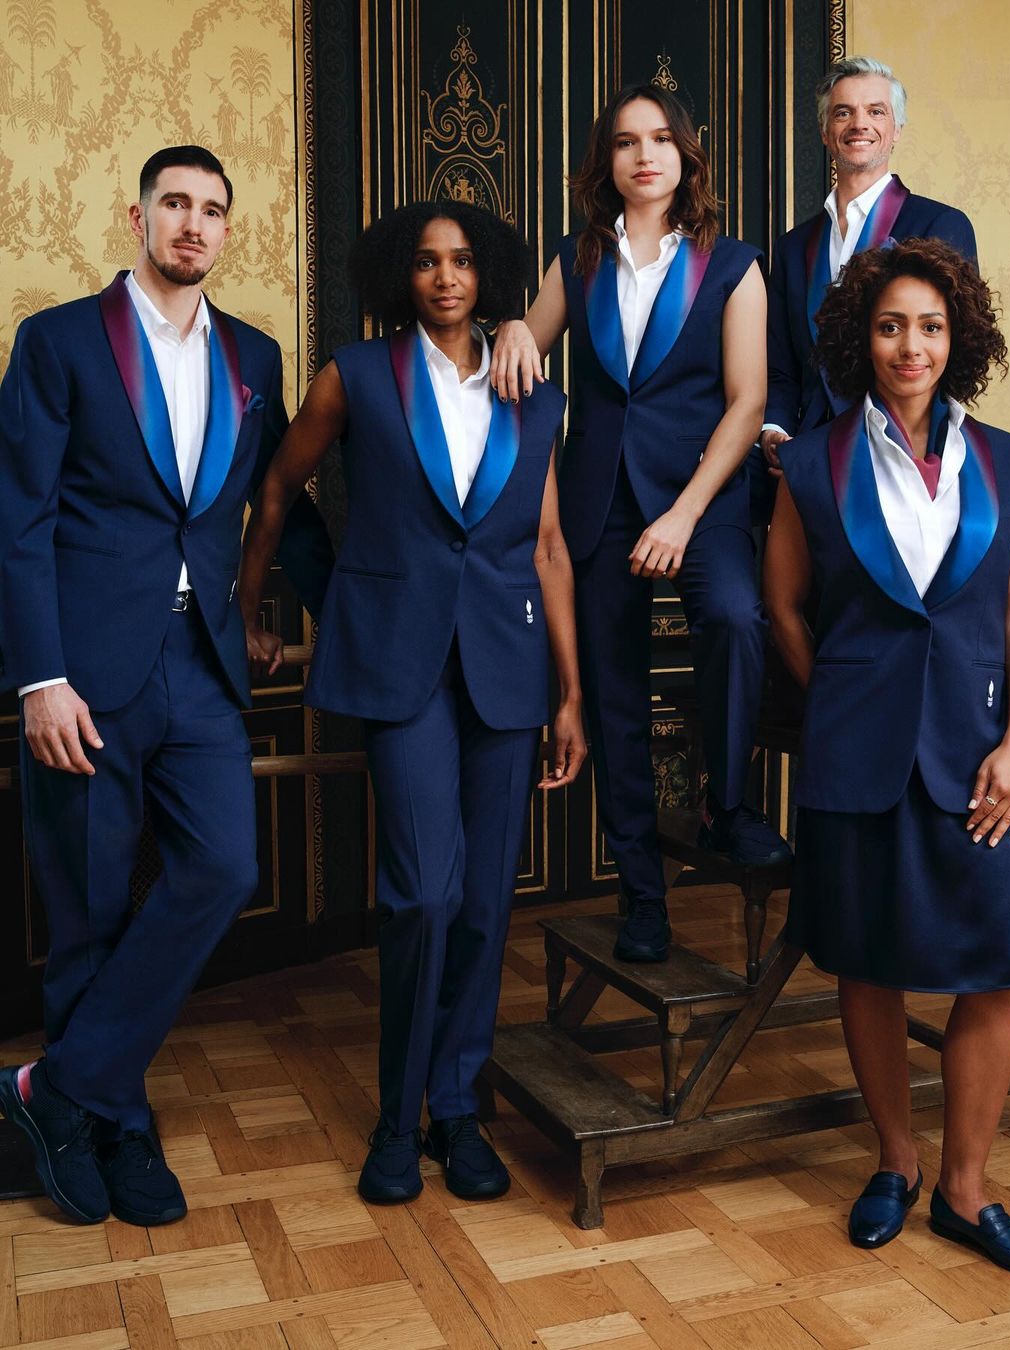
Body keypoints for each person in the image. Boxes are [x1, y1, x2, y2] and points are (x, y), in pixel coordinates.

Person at [0, 146, 333, 1226]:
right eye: (175, 205)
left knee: (223, 867)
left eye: (213, 210)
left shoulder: (255, 356)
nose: (194, 224)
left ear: (229, 231)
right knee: (89, 909)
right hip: (86, 675)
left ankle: (55, 1090)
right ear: (137, 215)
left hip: (202, 668)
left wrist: (351, 610)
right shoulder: (56, 343)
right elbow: (20, 518)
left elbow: (278, 508)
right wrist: (40, 678)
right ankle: (117, 1127)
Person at [238, 201, 585, 1205]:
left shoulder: (531, 388)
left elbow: (548, 546)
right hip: (401, 666)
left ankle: (458, 1107)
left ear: (490, 274)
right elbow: (275, 491)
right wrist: (260, 610)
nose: (446, 277)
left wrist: (571, 692)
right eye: (428, 262)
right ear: (402, 273)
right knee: (423, 893)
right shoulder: (354, 376)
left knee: (482, 902)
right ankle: (397, 1120)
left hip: (509, 667)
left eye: (465, 261)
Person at [764, 237, 1010, 1282]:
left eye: (931, 326)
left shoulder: (1004, 461)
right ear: (862, 336)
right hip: (860, 759)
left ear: (958, 338)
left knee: (996, 974)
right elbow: (782, 608)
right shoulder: (811, 461)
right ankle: (894, 1161)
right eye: (891, 324)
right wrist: (848, 700)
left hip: (984, 759)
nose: (911, 344)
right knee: (866, 961)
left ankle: (966, 1192)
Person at [490, 84, 790, 965]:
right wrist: (511, 325)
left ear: (685, 156)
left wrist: (685, 515)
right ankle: (640, 894)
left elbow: (749, 403)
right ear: (608, 164)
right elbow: (524, 351)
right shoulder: (573, 259)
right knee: (611, 698)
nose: (644, 155)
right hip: (597, 503)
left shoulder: (733, 264)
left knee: (735, 620)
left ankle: (724, 803)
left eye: (661, 139)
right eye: (625, 143)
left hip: (703, 502)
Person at [757, 56, 978, 515]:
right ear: (824, 131)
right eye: (843, 112)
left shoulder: (941, 224)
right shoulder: (794, 246)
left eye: (876, 111)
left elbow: (957, 352)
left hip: (907, 454)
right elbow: (780, 364)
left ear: (896, 129)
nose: (860, 123)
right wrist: (774, 428)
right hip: (812, 460)